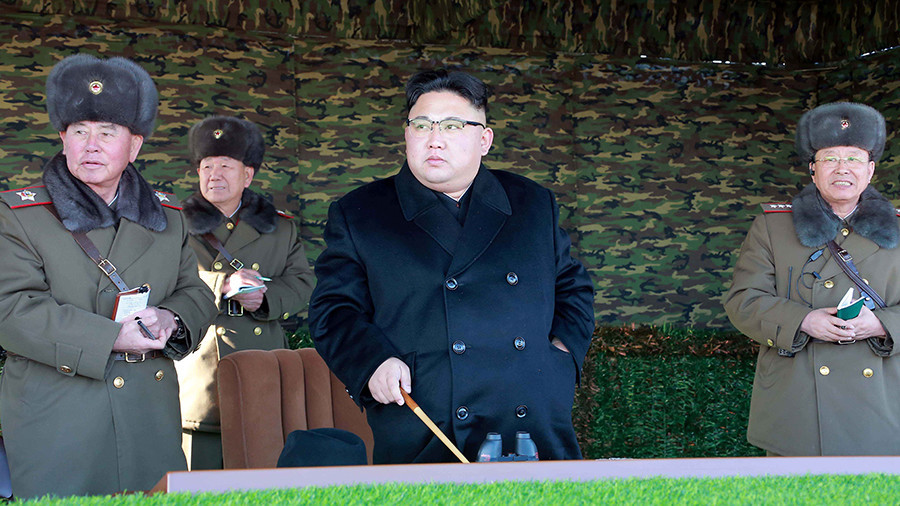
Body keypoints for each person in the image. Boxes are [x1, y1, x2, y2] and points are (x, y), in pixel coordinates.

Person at [308, 69, 595, 463]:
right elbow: (333, 310)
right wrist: (371, 362)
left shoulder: (531, 203)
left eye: (453, 125)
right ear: (406, 134)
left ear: (484, 139)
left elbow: (573, 288)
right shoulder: (361, 213)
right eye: (421, 125)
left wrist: (560, 359)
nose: (435, 139)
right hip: (428, 428)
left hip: (533, 424)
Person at [0, 54, 217, 498]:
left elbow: (194, 292)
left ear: (134, 145)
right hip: (59, 426)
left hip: (149, 421)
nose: (91, 145)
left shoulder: (167, 217)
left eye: (107, 132)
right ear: (63, 138)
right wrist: (112, 338)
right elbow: (12, 311)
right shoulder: (19, 215)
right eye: (79, 132)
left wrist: (171, 320)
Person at [724, 102, 900, 456]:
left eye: (853, 158)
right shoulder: (773, 227)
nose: (842, 168)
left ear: (870, 169)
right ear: (813, 169)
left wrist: (881, 325)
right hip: (798, 408)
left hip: (884, 405)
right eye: (830, 158)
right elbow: (743, 299)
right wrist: (803, 321)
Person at [176, 116, 315, 470]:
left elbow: (302, 282)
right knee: (200, 481)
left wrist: (265, 297)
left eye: (225, 166)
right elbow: (157, 282)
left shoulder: (280, 228)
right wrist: (221, 286)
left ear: (247, 175)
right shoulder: (172, 225)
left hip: (262, 364)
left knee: (261, 471)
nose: (214, 175)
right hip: (200, 366)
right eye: (207, 166)